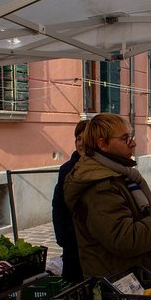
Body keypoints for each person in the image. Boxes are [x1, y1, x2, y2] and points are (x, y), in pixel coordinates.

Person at [63, 113, 151, 278]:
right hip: (120, 285)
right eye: (124, 138)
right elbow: (125, 239)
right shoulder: (100, 186)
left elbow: (137, 218)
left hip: (136, 278)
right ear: (102, 144)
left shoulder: (121, 175)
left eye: (131, 137)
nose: (132, 143)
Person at [51, 119, 88, 282]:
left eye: (86, 138)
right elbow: (58, 205)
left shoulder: (105, 168)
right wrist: (63, 237)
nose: (81, 143)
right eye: (79, 138)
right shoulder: (66, 170)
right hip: (72, 242)